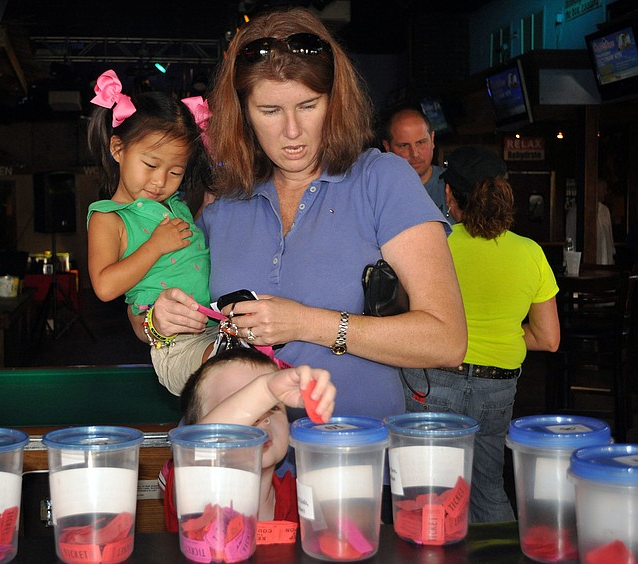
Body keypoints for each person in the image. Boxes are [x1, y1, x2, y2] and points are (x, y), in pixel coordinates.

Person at [133, 7, 466, 426]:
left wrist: (306, 323)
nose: (292, 131)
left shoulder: (381, 178)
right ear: (243, 114)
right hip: (243, 467)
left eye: (308, 105)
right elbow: (146, 316)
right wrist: (158, 318)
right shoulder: (227, 201)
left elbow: (447, 339)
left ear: (334, 102)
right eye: (270, 111)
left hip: (349, 461)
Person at [401, 146, 561, 523]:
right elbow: (548, 339)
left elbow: (406, 322)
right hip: (497, 389)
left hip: (434, 380)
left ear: (449, 196)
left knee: (430, 497)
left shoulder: (433, 247)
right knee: (488, 489)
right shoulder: (531, 253)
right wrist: (501, 330)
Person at [86, 70, 217, 394]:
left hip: (214, 326)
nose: (160, 181)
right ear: (118, 150)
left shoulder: (175, 204)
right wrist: (155, 246)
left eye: (175, 172)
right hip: (174, 340)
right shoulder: (109, 217)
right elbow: (104, 286)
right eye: (150, 165)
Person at [160, 347, 336, 539]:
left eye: (274, 405)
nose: (262, 415)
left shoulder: (302, 496)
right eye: (243, 403)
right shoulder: (190, 480)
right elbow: (199, 451)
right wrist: (266, 391)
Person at [382, 107, 453, 222]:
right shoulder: (378, 195)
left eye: (420, 143)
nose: (414, 154)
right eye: (403, 146)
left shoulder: (455, 185)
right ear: (387, 148)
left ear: (432, 139)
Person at [596, 178, 615, 265]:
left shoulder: (605, 210)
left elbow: (609, 237)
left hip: (606, 260)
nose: (605, 192)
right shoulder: (576, 211)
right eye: (603, 189)